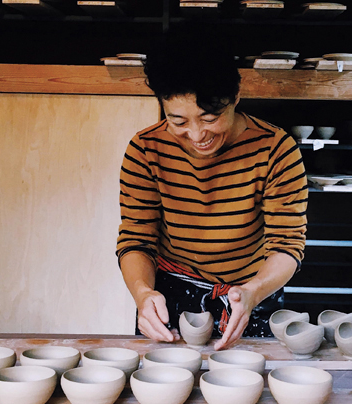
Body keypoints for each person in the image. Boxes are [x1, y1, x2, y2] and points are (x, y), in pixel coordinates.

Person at [116, 37, 308, 351]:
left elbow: (287, 245)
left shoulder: (275, 149)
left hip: (251, 291)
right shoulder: (145, 150)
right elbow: (137, 239)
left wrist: (253, 292)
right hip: (172, 291)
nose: (196, 135)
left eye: (209, 118)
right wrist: (142, 294)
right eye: (177, 121)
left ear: (235, 96)